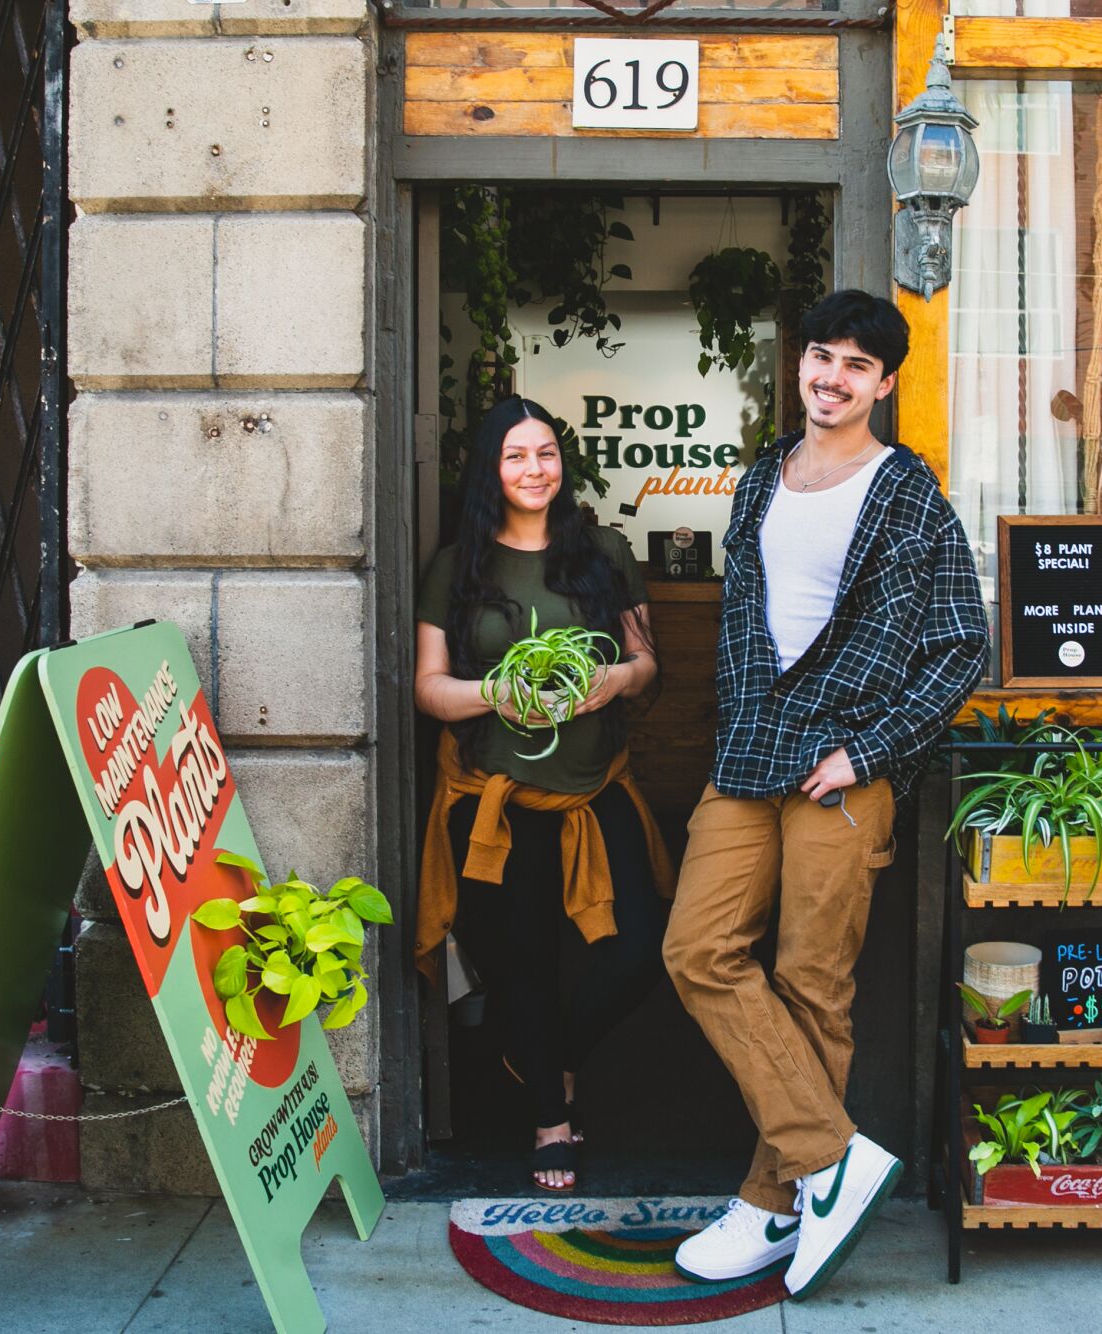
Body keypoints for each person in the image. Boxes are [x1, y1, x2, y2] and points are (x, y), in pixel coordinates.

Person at [665, 290, 990, 1298]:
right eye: (819, 355)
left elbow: (959, 647)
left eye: (855, 363)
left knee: (812, 980)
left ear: (882, 384)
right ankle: (830, 1157)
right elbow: (741, 620)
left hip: (841, 774)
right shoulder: (760, 475)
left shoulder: (906, 495)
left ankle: (772, 1202)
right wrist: (730, 723)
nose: (832, 376)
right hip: (749, 755)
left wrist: (871, 750)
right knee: (696, 948)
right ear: (797, 365)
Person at [415, 396, 673, 1194]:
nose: (536, 470)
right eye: (517, 456)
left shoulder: (602, 551)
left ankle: (545, 1059)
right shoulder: (456, 565)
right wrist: (494, 692)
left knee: (640, 953)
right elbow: (429, 689)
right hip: (496, 798)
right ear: (492, 470)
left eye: (548, 453)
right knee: (520, 960)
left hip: (596, 791)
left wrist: (614, 680)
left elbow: (646, 664)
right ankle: (548, 1117)